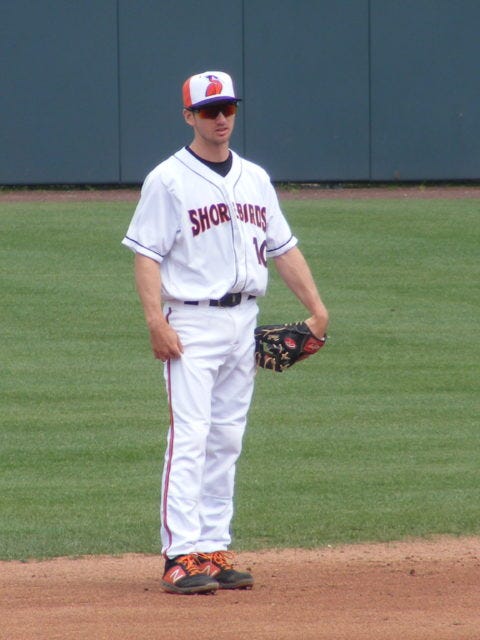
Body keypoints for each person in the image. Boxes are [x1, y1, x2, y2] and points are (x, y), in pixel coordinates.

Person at [122, 70, 329, 595]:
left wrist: (317, 309)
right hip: (189, 322)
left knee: (227, 438)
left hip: (244, 322)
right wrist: (154, 322)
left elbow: (283, 247)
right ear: (189, 115)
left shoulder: (256, 178)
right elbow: (146, 256)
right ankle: (178, 556)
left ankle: (213, 548)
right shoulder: (166, 179)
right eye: (209, 110)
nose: (220, 118)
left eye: (228, 109)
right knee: (189, 437)